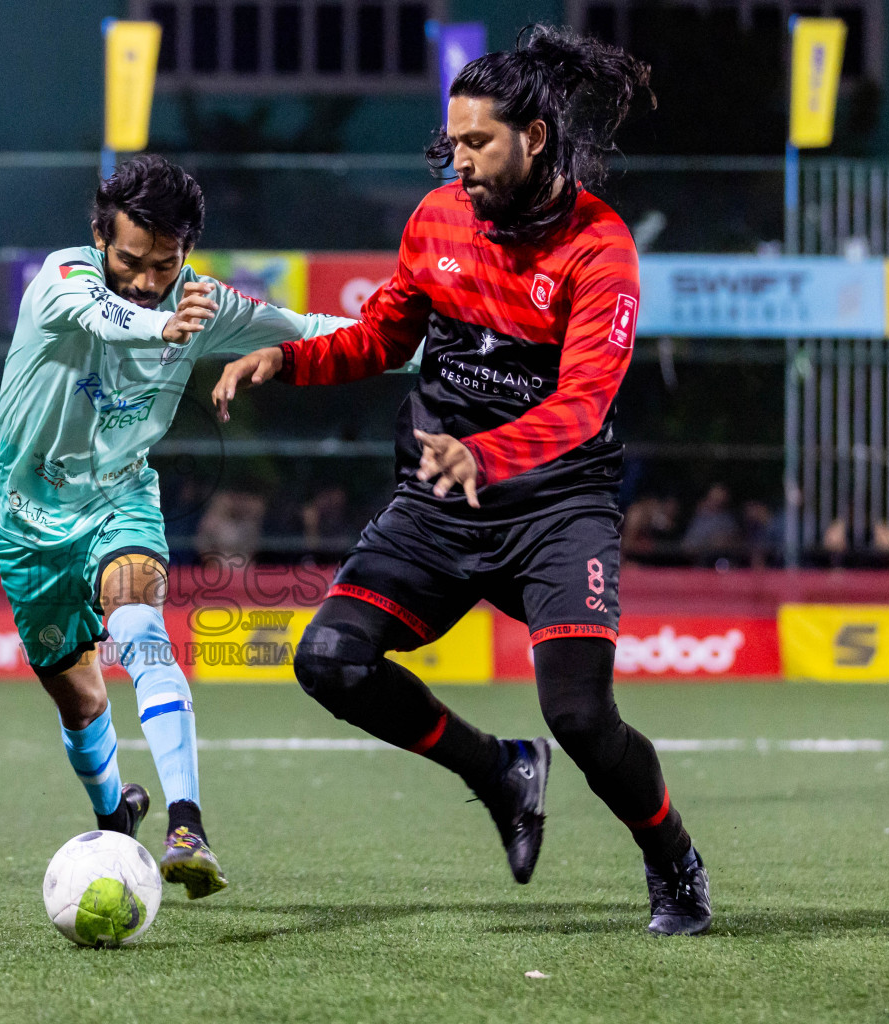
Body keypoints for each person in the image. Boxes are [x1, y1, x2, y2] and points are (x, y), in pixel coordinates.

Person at [211, 26, 710, 935]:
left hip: (558, 506)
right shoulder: (438, 218)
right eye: (454, 143)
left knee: (582, 717)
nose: (460, 160)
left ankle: (673, 860)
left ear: (536, 138)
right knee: (330, 659)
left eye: (478, 142)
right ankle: (498, 772)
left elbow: (585, 401)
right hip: (437, 504)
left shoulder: (601, 248)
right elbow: (383, 338)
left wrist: (487, 452)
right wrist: (287, 361)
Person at [0, 154, 357, 898]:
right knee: (81, 700)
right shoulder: (63, 279)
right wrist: (161, 325)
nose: (149, 278)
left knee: (140, 620)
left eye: (167, 263)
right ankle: (117, 815)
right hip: (26, 520)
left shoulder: (202, 303)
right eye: (132, 260)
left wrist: (436, 348)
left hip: (119, 500)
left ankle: (188, 823)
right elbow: (103, 317)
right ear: (99, 237)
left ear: (187, 251)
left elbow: (315, 329)